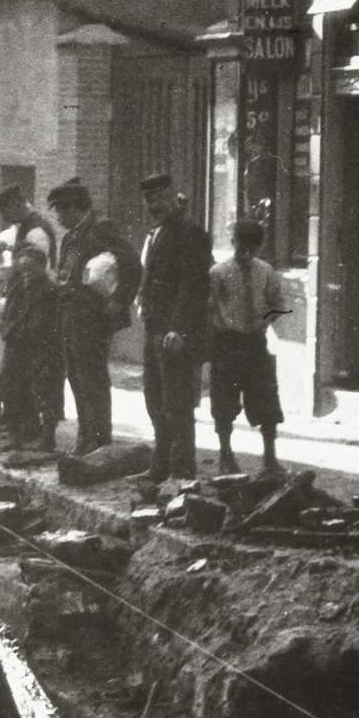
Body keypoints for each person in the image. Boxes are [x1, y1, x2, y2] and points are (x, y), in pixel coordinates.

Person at [50, 178, 138, 455]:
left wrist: (119, 300)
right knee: (76, 377)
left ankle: (99, 440)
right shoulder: (71, 235)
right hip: (70, 313)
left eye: (61, 211)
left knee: (92, 377)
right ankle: (86, 436)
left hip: (91, 317)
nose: (59, 218)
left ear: (74, 208)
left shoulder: (100, 228)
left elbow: (132, 263)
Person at [137, 172, 214, 485]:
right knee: (155, 399)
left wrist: (179, 329)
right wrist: (142, 298)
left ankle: (181, 470)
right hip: (155, 327)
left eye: (160, 198)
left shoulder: (190, 232)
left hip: (175, 333)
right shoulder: (159, 231)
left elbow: (192, 286)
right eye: (149, 200)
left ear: (172, 195)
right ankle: (161, 465)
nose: (155, 205)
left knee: (176, 403)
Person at [208, 217, 291, 475]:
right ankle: (226, 454)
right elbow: (209, 306)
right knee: (224, 402)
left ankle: (270, 458)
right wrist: (221, 325)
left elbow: (279, 304)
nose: (245, 252)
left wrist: (263, 320)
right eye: (240, 245)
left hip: (256, 343)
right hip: (228, 343)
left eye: (251, 247)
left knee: (267, 401)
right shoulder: (218, 273)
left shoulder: (265, 272)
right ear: (233, 242)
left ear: (259, 246)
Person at [0, 244, 63, 453]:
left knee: (45, 391)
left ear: (42, 267)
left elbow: (50, 323)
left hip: (41, 348)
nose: (26, 273)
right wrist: (8, 331)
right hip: (17, 345)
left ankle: (47, 437)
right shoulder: (18, 288)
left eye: (30, 268)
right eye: (22, 268)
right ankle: (15, 433)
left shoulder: (51, 291)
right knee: (12, 388)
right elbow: (8, 315)